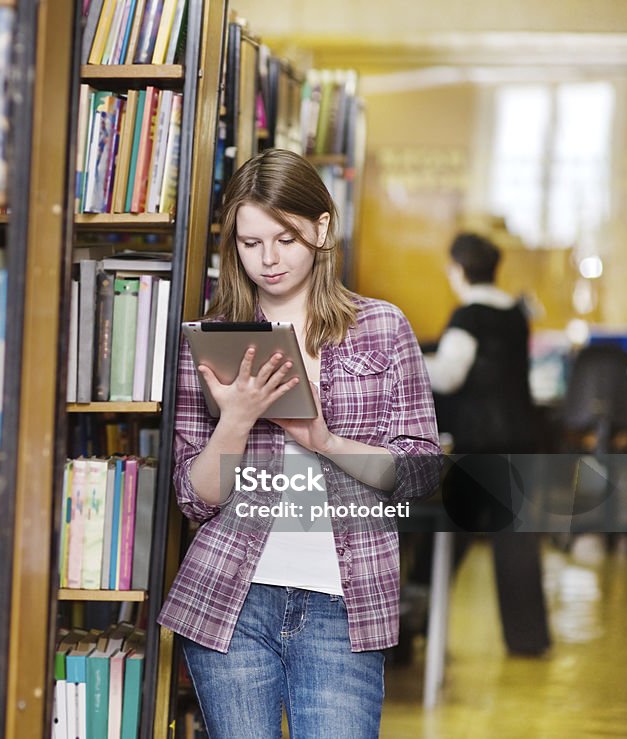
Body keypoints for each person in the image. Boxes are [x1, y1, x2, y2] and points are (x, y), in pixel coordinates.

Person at [157, 149, 440, 738]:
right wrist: (235, 421)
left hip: (346, 604)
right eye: (250, 242)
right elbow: (194, 498)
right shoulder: (210, 341)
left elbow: (420, 477)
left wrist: (325, 439)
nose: (268, 260)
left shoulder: (382, 327)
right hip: (229, 603)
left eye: (284, 238)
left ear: (322, 226)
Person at [423, 232, 551, 656]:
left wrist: (409, 358)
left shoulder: (469, 315)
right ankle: (529, 640)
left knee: (442, 535)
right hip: (520, 435)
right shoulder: (515, 313)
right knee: (515, 543)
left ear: (458, 269)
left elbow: (448, 376)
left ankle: (410, 628)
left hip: (479, 440)